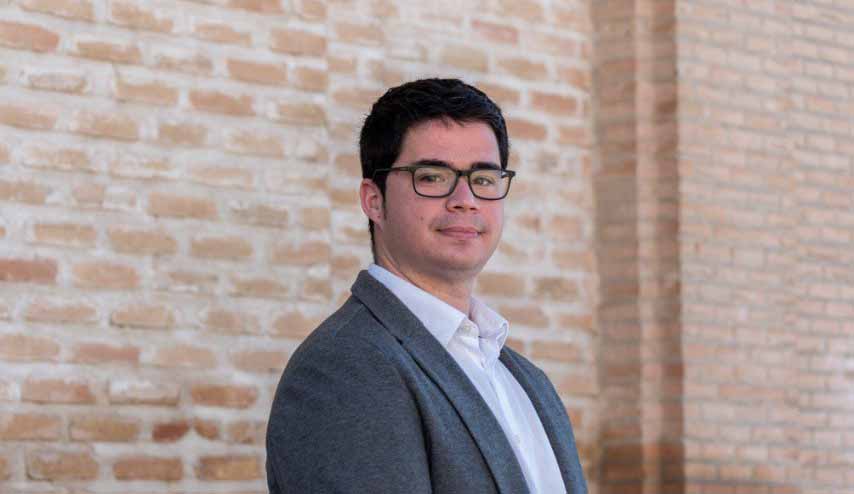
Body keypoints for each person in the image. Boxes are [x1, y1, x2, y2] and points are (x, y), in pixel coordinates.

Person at [266, 78, 587, 494]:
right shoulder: (343, 370)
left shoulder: (527, 380)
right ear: (374, 200)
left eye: (484, 179)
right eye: (433, 177)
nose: (465, 198)